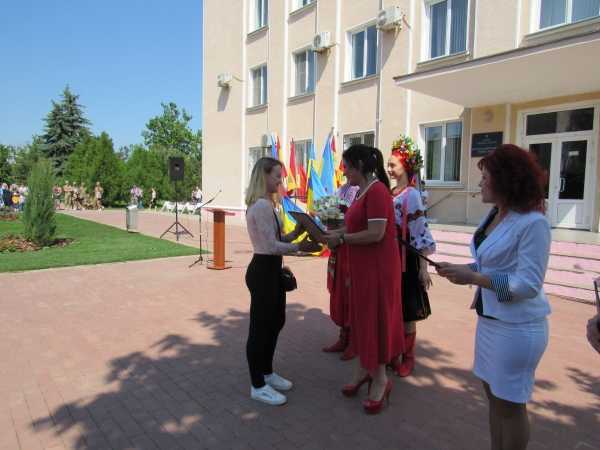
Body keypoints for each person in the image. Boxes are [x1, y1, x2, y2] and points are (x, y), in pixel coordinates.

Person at [436, 144, 551, 450]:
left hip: (517, 328)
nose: (480, 183)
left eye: (485, 177)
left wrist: (474, 278)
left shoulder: (533, 223)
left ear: (505, 180)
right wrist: (464, 268)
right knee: (494, 401)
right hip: (490, 321)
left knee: (510, 407)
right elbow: (490, 263)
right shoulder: (495, 214)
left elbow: (528, 285)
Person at [324, 144, 404, 415]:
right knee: (361, 319)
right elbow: (354, 225)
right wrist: (334, 233)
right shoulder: (362, 191)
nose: (344, 171)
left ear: (359, 165)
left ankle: (380, 379)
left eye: (346, 166)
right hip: (363, 268)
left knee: (374, 321)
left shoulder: (378, 190)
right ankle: (362, 370)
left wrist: (342, 239)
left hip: (378, 270)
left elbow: (376, 233)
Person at [245, 156, 321, 406]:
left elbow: (279, 239)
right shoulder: (261, 206)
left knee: (276, 321)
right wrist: (300, 246)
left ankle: (267, 372)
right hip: (263, 270)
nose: (280, 181)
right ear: (264, 176)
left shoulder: (269, 204)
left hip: (271, 270)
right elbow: (270, 246)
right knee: (260, 328)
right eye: (277, 176)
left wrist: (299, 230)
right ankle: (258, 385)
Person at [387, 145, 435, 377]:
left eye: (393, 165)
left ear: (405, 166)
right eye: (388, 164)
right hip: (390, 258)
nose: (389, 169)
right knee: (393, 308)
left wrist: (423, 268)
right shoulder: (391, 193)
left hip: (407, 258)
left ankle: (408, 357)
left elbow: (420, 232)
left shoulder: (412, 195)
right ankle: (395, 353)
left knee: (407, 311)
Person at [322, 182, 359, 360]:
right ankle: (343, 337)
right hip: (339, 248)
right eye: (345, 168)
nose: (345, 171)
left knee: (351, 294)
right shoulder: (341, 190)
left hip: (353, 248)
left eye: (348, 168)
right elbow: (329, 215)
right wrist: (326, 220)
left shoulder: (363, 190)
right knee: (339, 292)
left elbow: (359, 224)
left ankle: (354, 341)